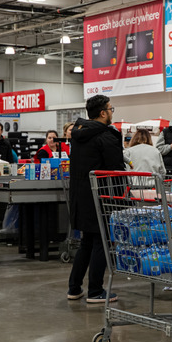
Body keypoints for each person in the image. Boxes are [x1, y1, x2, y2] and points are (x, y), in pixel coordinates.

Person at [67, 94, 125, 303]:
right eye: (110, 109)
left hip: (81, 197)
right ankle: (95, 291)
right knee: (101, 241)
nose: (111, 113)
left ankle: (74, 288)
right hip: (100, 196)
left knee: (87, 242)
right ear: (102, 113)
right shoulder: (106, 137)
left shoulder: (79, 134)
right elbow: (116, 170)